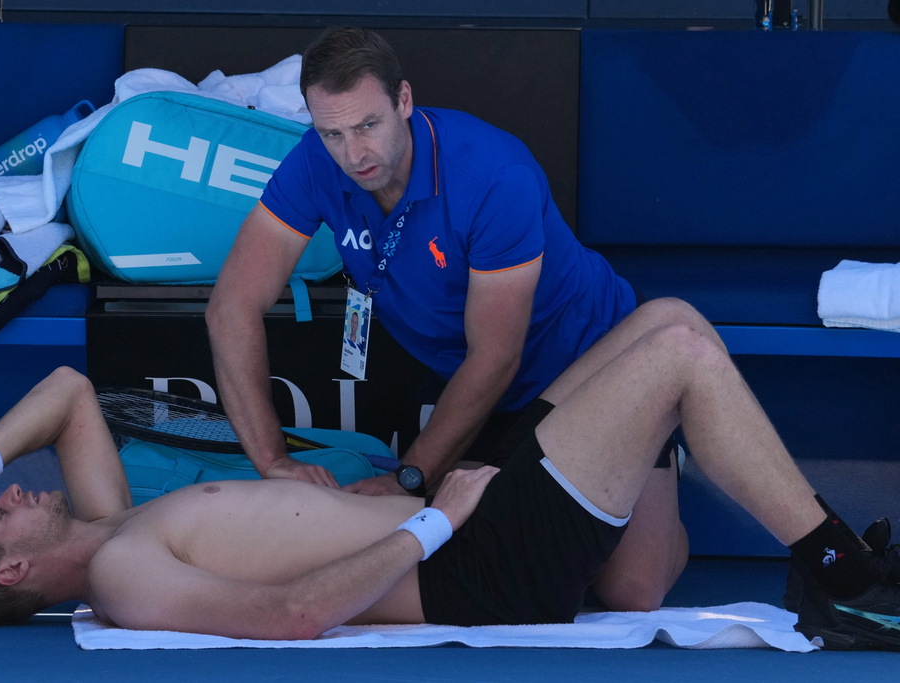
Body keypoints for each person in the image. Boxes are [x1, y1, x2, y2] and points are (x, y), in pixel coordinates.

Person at [0, 300, 900, 650]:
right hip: (472, 560)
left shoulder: (108, 518)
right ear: (12, 574)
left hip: (471, 523)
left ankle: (630, 560)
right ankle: (844, 578)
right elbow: (291, 617)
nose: (7, 494)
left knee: (660, 314)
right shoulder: (125, 576)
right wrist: (434, 524)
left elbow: (66, 389)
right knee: (680, 349)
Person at [206, 26, 685, 612]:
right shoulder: (316, 161)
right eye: (332, 132)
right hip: (484, 392)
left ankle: (657, 439)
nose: (353, 153)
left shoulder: (492, 175)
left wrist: (410, 476)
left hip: (590, 363)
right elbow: (231, 307)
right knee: (439, 549)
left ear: (403, 101)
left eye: (368, 125)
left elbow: (496, 357)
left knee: (631, 592)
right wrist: (273, 461)